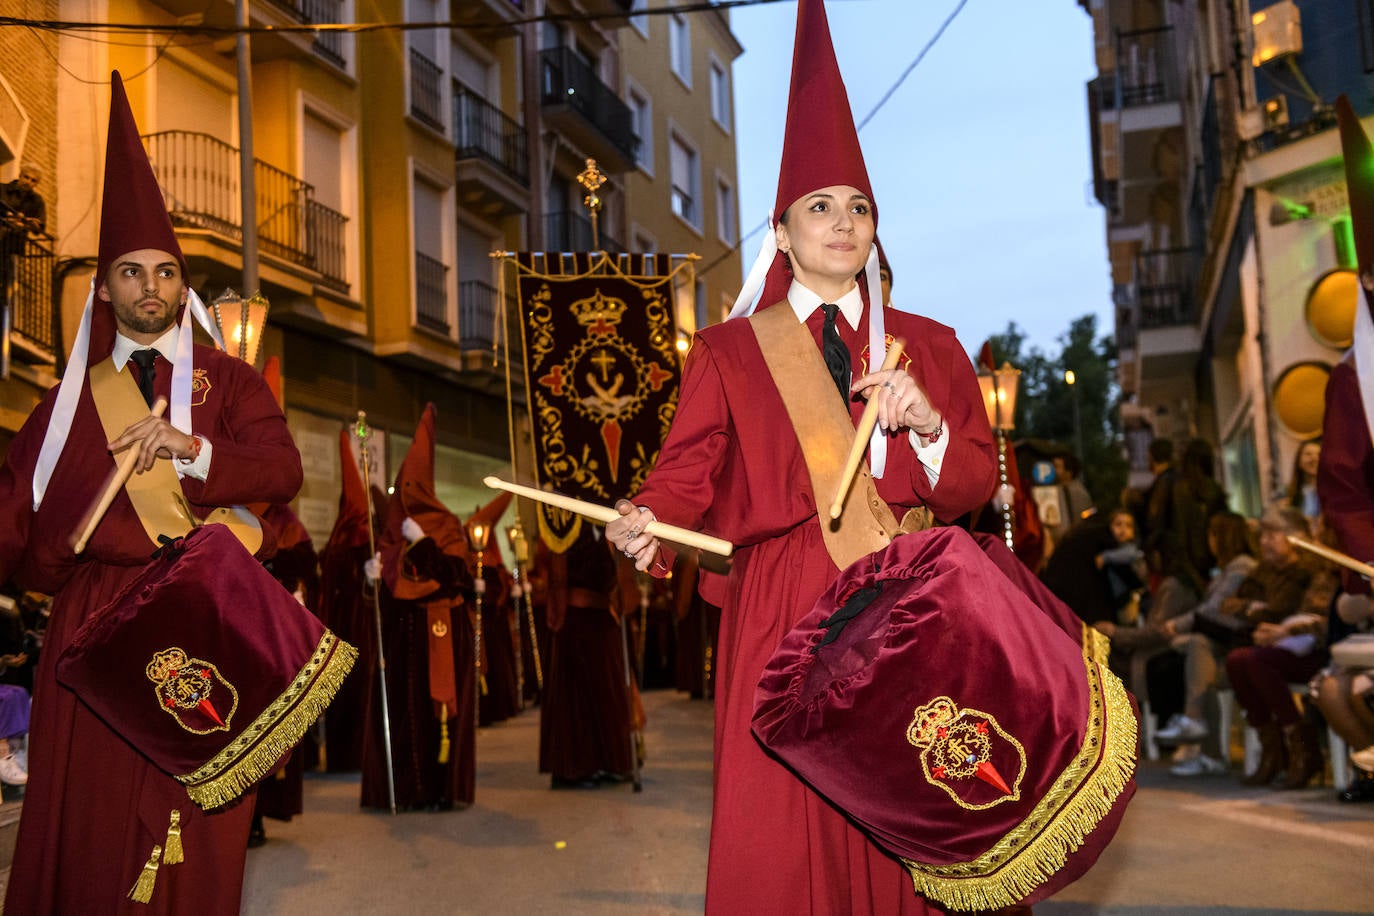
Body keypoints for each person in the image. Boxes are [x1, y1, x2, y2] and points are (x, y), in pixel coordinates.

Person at [605, 3, 999, 909]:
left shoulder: (930, 347)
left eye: (860, 208)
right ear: (780, 233)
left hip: (912, 597)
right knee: (784, 821)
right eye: (820, 207)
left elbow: (975, 484)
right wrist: (648, 525)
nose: (844, 222)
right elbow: (683, 474)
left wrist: (928, 425)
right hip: (782, 600)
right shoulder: (730, 351)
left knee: (917, 809)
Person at [0, 73, 302, 913]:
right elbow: (10, 518)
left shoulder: (229, 383)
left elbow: (281, 474)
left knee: (193, 822)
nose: (149, 288)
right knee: (89, 824)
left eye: (164, 272)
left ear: (183, 286)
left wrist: (193, 449)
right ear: (105, 288)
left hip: (196, 613)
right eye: (129, 272)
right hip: (91, 619)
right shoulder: (62, 403)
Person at [360, 404, 476, 811]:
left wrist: (425, 542)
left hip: (438, 632)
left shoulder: (446, 527)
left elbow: (457, 577)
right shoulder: (392, 532)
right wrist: (371, 578)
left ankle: (439, 790)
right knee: (401, 710)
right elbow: (384, 595)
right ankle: (404, 790)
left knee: (433, 714)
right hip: (401, 639)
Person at [1222, 507, 1334, 788]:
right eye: (1263, 535)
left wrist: (1278, 627)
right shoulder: (1265, 570)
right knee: (1238, 660)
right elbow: (1231, 604)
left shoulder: (1313, 569)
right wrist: (1262, 617)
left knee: (1257, 660)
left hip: (1315, 648)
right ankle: (1274, 749)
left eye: (1272, 534)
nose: (1264, 541)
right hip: (1285, 641)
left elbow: (1305, 615)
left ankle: (1301, 748)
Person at [1157, 510, 1257, 775]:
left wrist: (1177, 625)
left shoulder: (1241, 567)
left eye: (1212, 535)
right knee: (1204, 673)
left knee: (1198, 647)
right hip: (1222, 644)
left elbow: (1214, 610)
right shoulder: (1228, 568)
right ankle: (1207, 748)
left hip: (1236, 642)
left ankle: (1195, 725)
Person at [539, 525, 636, 788]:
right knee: (576, 694)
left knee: (607, 692)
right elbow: (557, 577)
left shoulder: (607, 527)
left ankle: (607, 761)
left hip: (602, 621)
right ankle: (575, 767)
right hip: (575, 622)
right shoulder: (564, 528)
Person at [1286, 438, 1322, 521]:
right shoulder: (1286, 492)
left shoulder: (1334, 492)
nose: (1314, 458)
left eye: (1319, 454)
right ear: (1298, 460)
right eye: (1308, 454)